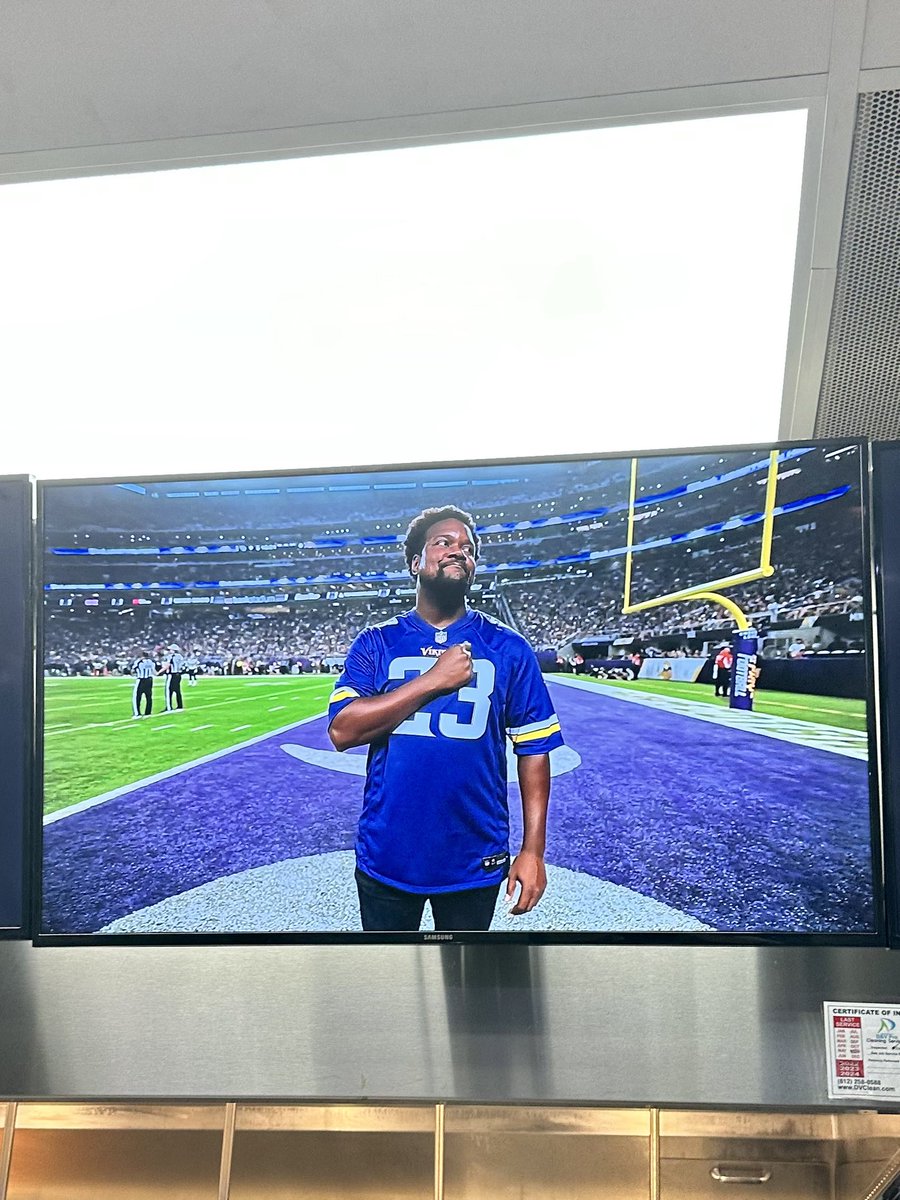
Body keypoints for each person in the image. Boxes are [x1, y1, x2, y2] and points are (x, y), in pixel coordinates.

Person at [328, 505, 563, 933]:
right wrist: (433, 681)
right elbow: (343, 730)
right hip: (389, 849)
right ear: (416, 562)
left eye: (467, 547)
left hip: (474, 851)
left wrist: (533, 850)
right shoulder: (377, 641)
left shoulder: (508, 646)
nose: (459, 550)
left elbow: (534, 750)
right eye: (444, 542)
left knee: (464, 985)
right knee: (388, 982)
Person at [160, 643, 187, 711]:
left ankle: (169, 707)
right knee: (177, 691)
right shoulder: (180, 656)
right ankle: (180, 705)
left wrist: (160, 672)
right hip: (178, 674)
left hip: (172, 675)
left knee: (169, 691)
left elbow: (167, 665)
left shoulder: (171, 656)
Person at [130, 650, 156, 718]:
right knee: (148, 697)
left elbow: (132, 670)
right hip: (149, 679)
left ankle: (137, 713)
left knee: (137, 697)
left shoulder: (139, 661)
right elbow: (154, 671)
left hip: (141, 680)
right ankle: (148, 712)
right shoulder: (151, 662)